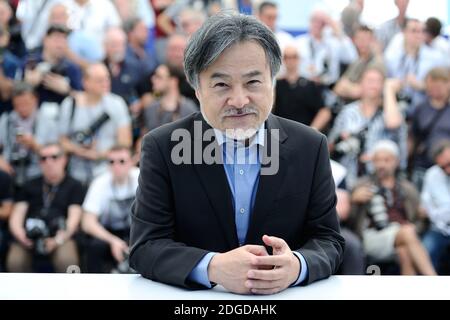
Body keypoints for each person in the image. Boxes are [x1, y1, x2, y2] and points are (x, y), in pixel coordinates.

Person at [129, 12, 344, 295]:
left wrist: (298, 265)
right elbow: (145, 246)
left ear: (273, 81)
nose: (240, 101)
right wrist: (211, 267)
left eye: (253, 82)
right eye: (221, 85)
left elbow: (329, 240)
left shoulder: (310, 146)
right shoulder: (163, 147)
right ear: (197, 89)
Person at [349, 140, 436, 275]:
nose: (381, 165)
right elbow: (348, 220)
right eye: (377, 160)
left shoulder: (407, 188)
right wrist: (353, 201)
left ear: (396, 161)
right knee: (407, 232)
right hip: (373, 236)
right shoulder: (362, 184)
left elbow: (419, 220)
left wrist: (418, 223)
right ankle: (434, 281)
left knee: (404, 251)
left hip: (403, 236)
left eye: (386, 160)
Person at [6, 143, 84, 272]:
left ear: (64, 159)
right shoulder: (29, 185)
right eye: (43, 158)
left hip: (61, 237)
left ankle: (68, 292)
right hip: (30, 237)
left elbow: (74, 219)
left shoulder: (74, 186)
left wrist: (57, 240)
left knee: (68, 262)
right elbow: (17, 216)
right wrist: (21, 236)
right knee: (15, 261)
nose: (48, 162)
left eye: (54, 157)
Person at [328, 67, 407, 189]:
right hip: (349, 175)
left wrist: (389, 90)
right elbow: (331, 144)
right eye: (369, 80)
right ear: (360, 83)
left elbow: (393, 123)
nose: (373, 85)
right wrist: (343, 140)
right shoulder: (348, 112)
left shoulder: (391, 110)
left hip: (380, 178)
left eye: (378, 81)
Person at [58, 63, 132, 186]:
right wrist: (80, 151)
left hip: (108, 171)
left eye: (107, 78)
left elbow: (125, 141)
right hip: (76, 173)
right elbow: (61, 141)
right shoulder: (70, 104)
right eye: (99, 80)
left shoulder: (117, 103)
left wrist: (99, 155)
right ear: (85, 82)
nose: (106, 83)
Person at [82, 145, 138, 273]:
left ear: (131, 162)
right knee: (95, 246)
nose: (116, 166)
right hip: (109, 233)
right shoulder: (100, 183)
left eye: (122, 161)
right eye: (111, 161)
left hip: (136, 232)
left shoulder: (142, 178)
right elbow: (87, 223)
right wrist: (113, 241)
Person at [0, 82, 59, 189]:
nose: (22, 108)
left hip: (38, 174)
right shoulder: (6, 120)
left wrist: (34, 144)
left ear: (35, 99)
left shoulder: (48, 123)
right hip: (9, 171)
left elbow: (56, 154)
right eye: (18, 104)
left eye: (26, 103)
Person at [409, 68, 450, 190]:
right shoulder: (420, 109)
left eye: (440, 85)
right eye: (433, 85)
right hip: (423, 163)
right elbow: (412, 136)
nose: (436, 89)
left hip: (447, 165)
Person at [273, 45, 330, 131]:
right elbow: (269, 111)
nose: (290, 60)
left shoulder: (310, 85)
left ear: (299, 59)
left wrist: (313, 130)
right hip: (279, 132)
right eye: (287, 57)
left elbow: (324, 112)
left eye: (294, 57)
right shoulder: (275, 85)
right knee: (272, 143)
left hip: (303, 133)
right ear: (283, 60)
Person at [421, 139, 450, 273]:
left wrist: (439, 211)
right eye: (443, 167)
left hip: (441, 221)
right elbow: (425, 208)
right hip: (439, 229)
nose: (447, 170)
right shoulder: (432, 174)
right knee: (425, 250)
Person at [143, 63, 197, 133]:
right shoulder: (151, 108)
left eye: (159, 77)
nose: (153, 79)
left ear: (173, 81)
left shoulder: (189, 110)